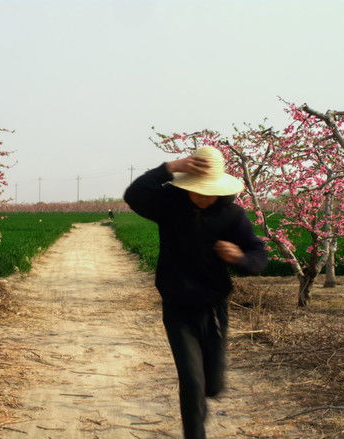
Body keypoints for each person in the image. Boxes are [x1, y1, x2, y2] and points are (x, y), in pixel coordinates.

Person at [123, 146, 267, 439]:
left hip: (213, 308)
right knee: (191, 381)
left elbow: (258, 255)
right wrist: (170, 167)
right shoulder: (169, 207)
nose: (202, 196)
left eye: (208, 191)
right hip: (177, 307)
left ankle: (205, 396)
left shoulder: (232, 216)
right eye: (196, 190)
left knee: (211, 385)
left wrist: (240, 258)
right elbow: (134, 195)